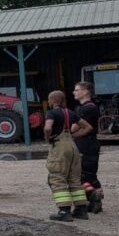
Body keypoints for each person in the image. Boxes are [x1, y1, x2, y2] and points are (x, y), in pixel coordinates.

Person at [44, 90, 89, 222]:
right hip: (73, 147)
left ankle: (64, 211)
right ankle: (81, 210)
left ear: (52, 101)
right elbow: (88, 127)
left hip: (60, 147)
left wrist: (48, 138)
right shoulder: (71, 113)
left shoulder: (51, 113)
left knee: (58, 178)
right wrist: (73, 136)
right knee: (74, 179)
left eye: (49, 100)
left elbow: (47, 128)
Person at [71, 80, 103, 213]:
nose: (74, 92)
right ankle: (95, 199)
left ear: (85, 92)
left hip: (86, 144)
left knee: (84, 174)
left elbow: (73, 127)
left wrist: (70, 133)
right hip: (86, 143)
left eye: (77, 90)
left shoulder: (88, 108)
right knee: (86, 175)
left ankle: (94, 197)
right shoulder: (82, 108)